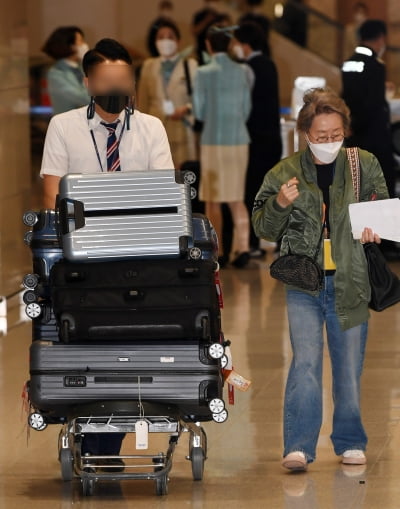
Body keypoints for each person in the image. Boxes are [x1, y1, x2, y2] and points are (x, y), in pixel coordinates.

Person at [40, 39, 174, 470]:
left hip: (137, 256)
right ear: (88, 83)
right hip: (82, 260)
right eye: (107, 80)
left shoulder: (151, 127)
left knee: (128, 344)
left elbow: (164, 194)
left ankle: (107, 442)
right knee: (88, 342)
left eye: (123, 79)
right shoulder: (63, 126)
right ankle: (92, 435)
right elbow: (52, 196)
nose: (116, 87)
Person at [252, 88, 388, 470]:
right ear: (304, 134)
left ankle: (349, 441)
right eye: (320, 136)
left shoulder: (365, 163)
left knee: (348, 367)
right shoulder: (284, 172)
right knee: (306, 363)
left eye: (335, 134)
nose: (329, 142)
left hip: (351, 280)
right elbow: (262, 226)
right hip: (304, 283)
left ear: (345, 130)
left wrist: (375, 228)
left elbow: (381, 207)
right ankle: (298, 445)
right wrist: (280, 205)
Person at [193, 25, 251, 268]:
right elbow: (246, 108)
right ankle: (243, 247)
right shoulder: (243, 70)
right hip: (239, 138)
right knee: (237, 197)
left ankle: (218, 250)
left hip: (213, 140)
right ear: (229, 44)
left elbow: (199, 110)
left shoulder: (203, 72)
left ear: (208, 45)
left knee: (213, 199)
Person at [233, 22, 282, 258]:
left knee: (252, 192)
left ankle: (253, 243)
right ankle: (281, 240)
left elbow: (244, 107)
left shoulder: (247, 68)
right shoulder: (270, 64)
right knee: (274, 191)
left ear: (245, 44)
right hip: (273, 138)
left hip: (254, 139)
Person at [342, 20, 396, 200]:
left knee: (357, 183)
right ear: (380, 39)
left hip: (354, 134)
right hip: (373, 137)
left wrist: (351, 125)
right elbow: (373, 104)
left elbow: (350, 95)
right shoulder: (375, 65)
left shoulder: (348, 63)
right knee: (381, 183)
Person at [138, 19, 197, 168]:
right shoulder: (149, 65)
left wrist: (187, 108)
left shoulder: (190, 65)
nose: (165, 41)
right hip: (155, 129)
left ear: (178, 40)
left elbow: (199, 99)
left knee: (183, 177)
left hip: (182, 129)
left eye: (170, 37)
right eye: (160, 37)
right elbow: (142, 102)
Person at [42, 26, 90, 114]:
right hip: (67, 125)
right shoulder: (56, 73)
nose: (84, 45)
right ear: (71, 46)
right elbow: (83, 98)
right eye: (81, 41)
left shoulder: (80, 67)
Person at [191, 0, 229, 65]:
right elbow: (194, 31)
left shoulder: (218, 17)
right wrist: (206, 21)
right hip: (201, 51)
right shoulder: (199, 15)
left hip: (217, 52)